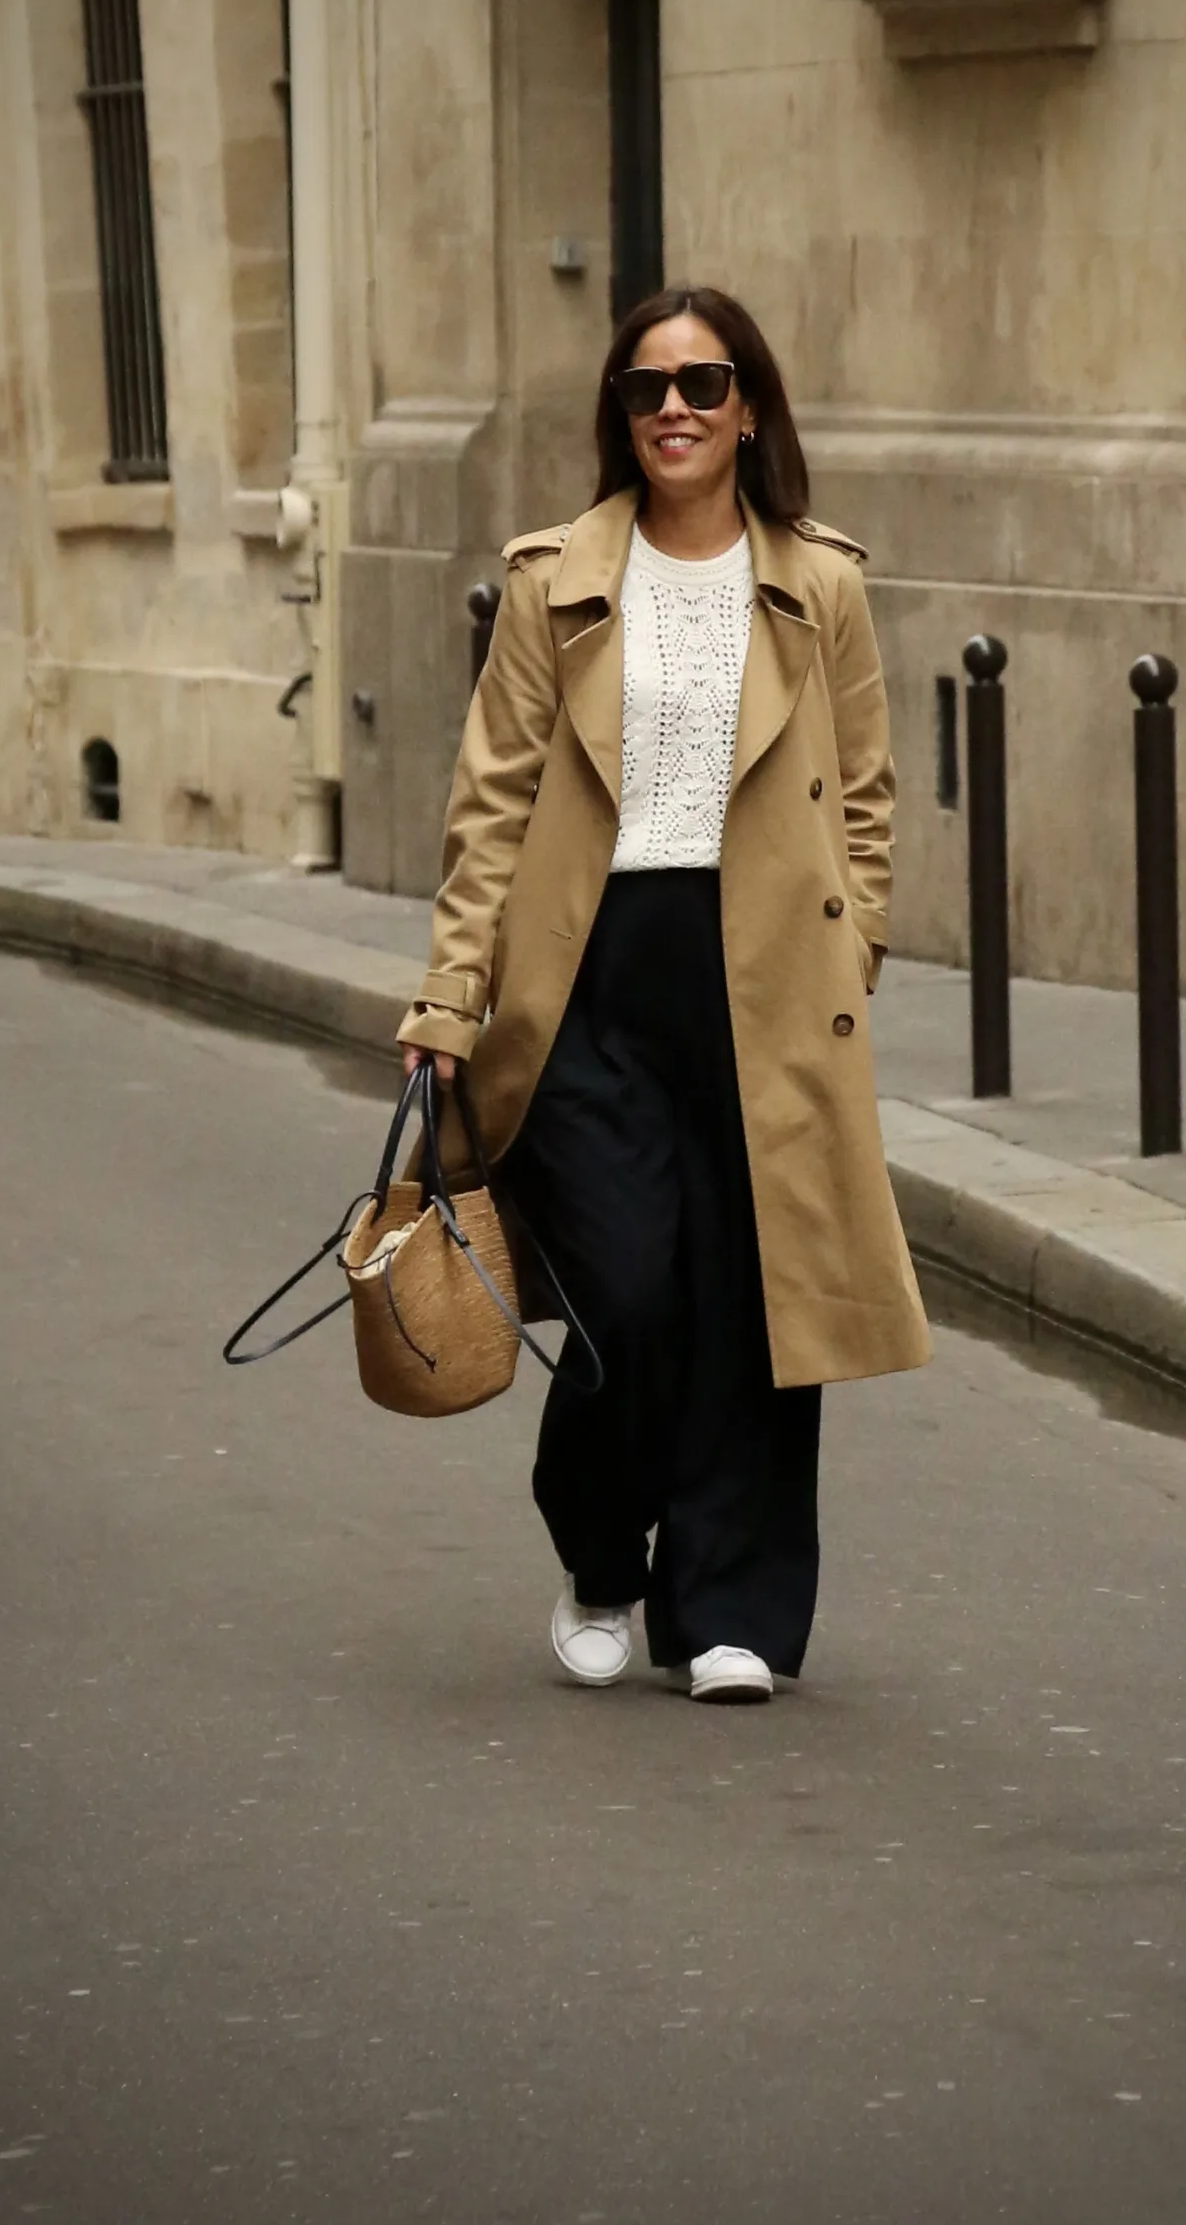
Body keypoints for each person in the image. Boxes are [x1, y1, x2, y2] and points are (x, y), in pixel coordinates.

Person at [396, 285, 930, 1703]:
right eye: (646, 390)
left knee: (761, 1301)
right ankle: (597, 1557)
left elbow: (864, 800)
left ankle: (732, 1612)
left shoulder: (819, 584)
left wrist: (850, 945)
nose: (675, 410)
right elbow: (490, 810)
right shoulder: (553, 584)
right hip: (584, 978)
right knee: (625, 1293)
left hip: (763, 972)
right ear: (619, 418)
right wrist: (452, 999)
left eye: (703, 384)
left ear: (749, 407)